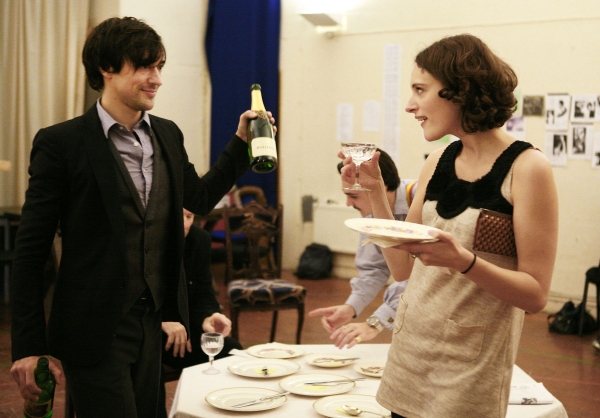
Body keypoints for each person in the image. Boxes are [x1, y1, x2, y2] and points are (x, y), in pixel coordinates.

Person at [10, 17, 275, 417]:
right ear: (107, 68)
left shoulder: (167, 134)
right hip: (92, 329)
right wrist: (29, 345)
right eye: (144, 67)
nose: (156, 79)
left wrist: (241, 143)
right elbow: (31, 249)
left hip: (152, 326)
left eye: (159, 67)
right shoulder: (61, 143)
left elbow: (199, 198)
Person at [340, 34, 558, 418]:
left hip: (469, 369)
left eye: (420, 90)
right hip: (410, 355)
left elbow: (535, 296)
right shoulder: (437, 161)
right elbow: (403, 268)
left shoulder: (527, 169)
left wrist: (463, 261)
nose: (410, 105)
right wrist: (375, 192)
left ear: (462, 90)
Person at [308, 150, 414, 348]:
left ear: (379, 185)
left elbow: (420, 275)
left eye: (353, 196)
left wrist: (375, 323)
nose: (349, 204)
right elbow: (373, 268)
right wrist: (351, 307)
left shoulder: (420, 200)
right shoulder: (372, 215)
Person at [159, 209, 242, 418]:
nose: (185, 224)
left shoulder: (199, 239)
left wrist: (209, 316)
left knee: (231, 351)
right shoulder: (148, 239)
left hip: (187, 330)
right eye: (179, 216)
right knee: (147, 363)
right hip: (150, 328)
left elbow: (203, 291)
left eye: (189, 217)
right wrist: (163, 322)